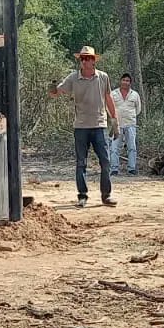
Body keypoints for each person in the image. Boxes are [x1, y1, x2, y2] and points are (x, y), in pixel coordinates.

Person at [48, 45, 119, 208]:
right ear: (80, 61)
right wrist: (51, 89)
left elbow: (108, 99)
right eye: (83, 58)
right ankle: (82, 196)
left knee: (105, 161)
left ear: (94, 60)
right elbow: (56, 92)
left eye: (89, 58)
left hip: (99, 125)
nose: (86, 60)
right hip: (81, 126)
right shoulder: (73, 78)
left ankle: (106, 195)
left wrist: (115, 121)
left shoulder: (103, 77)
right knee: (81, 162)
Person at [109, 73, 142, 176]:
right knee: (114, 147)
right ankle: (114, 169)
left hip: (130, 124)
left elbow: (138, 109)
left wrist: (130, 116)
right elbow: (109, 107)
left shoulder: (135, 95)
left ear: (130, 83)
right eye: (123, 80)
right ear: (120, 81)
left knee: (131, 147)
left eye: (127, 81)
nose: (125, 82)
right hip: (116, 124)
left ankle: (131, 168)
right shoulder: (113, 94)